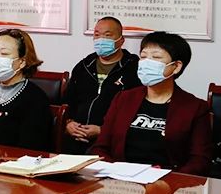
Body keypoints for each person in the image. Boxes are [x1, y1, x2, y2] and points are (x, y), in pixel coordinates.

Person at [89, 31, 212, 174]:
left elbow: (200, 161)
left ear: (176, 66)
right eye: (143, 57)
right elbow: (100, 147)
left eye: (156, 57)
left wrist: (169, 180)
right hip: (120, 179)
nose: (146, 63)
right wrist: (114, 171)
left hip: (167, 181)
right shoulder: (123, 98)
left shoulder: (195, 107)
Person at [62, 17, 141, 154]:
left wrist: (102, 130)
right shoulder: (84, 66)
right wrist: (68, 124)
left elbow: (137, 113)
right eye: (97, 35)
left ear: (121, 40)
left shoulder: (134, 68)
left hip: (112, 144)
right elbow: (67, 101)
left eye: (107, 35)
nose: (101, 40)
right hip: (75, 141)